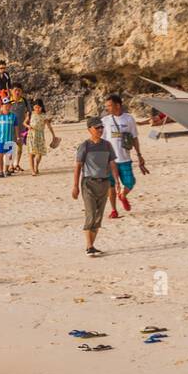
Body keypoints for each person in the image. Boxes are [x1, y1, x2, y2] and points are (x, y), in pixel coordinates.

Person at [73, 117, 126, 257]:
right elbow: (78, 166)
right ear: (90, 130)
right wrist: (75, 187)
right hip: (88, 183)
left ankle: (91, 246)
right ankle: (89, 246)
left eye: (102, 127)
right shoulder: (85, 146)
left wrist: (117, 181)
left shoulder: (107, 145)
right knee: (90, 214)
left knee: (98, 217)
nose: (100, 130)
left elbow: (112, 164)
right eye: (97, 128)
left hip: (104, 183)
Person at [102, 93, 147, 219]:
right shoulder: (105, 121)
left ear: (118, 105)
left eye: (109, 105)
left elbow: (134, 138)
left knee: (130, 182)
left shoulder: (129, 119)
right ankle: (114, 210)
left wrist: (139, 155)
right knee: (110, 186)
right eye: (106, 106)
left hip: (125, 158)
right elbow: (102, 140)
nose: (107, 108)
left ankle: (123, 195)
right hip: (110, 160)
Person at [26, 99, 57, 176]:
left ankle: (36, 166)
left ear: (42, 107)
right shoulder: (30, 114)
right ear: (33, 107)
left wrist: (53, 135)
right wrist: (28, 126)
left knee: (39, 154)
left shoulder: (44, 116)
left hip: (40, 136)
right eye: (36, 107)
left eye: (39, 107)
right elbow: (24, 122)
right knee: (31, 153)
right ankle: (32, 170)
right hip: (31, 136)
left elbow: (49, 126)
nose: (37, 109)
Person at [0, 99, 17, 177]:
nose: (7, 107)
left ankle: (6, 170)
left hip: (10, 139)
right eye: (5, 105)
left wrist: (17, 136)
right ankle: (0, 171)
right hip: (0, 140)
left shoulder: (13, 116)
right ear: (2, 106)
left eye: (9, 105)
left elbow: (16, 127)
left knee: (9, 155)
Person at [7, 85, 30, 173]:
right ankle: (10, 165)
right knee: (10, 147)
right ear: (11, 90)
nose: (17, 92)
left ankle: (17, 164)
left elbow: (28, 112)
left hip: (21, 127)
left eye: (19, 90)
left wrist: (27, 123)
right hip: (10, 128)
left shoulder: (24, 101)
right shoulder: (8, 100)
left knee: (20, 147)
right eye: (15, 90)